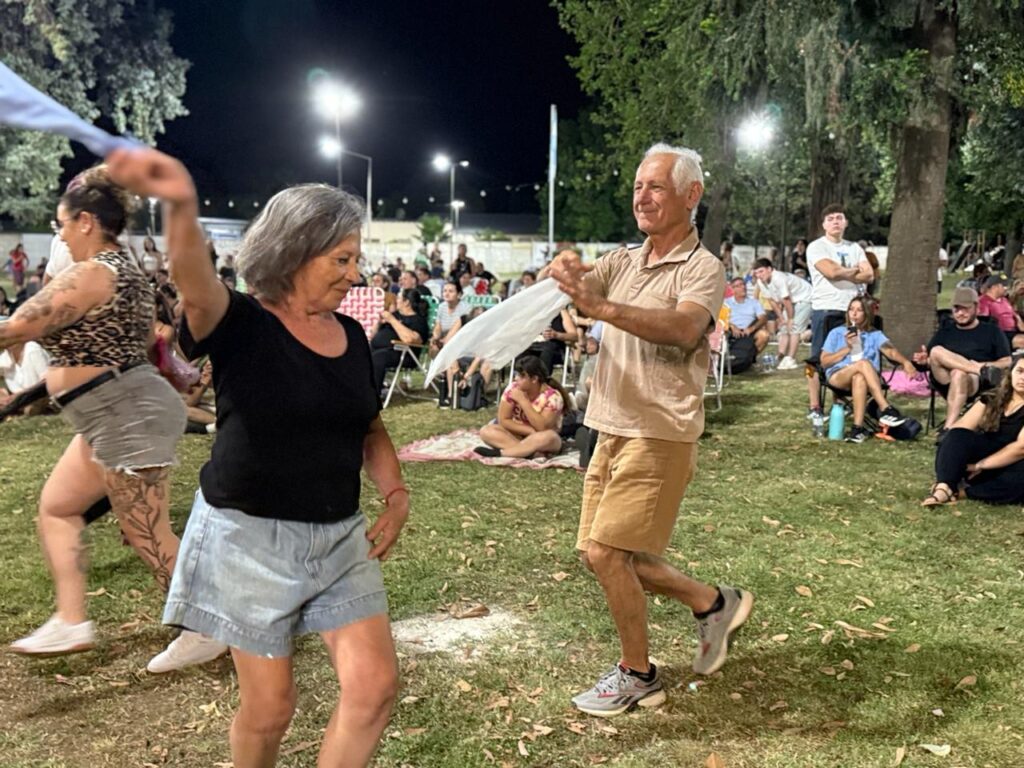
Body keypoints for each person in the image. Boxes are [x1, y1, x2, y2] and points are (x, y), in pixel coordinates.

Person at [107, 147, 408, 767]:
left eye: (356, 258)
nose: (355, 273)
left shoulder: (351, 335)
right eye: (342, 258)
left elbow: (368, 425)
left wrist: (396, 494)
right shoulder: (240, 321)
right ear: (295, 251)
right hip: (248, 539)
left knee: (374, 689)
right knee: (270, 708)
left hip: (338, 538)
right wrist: (182, 204)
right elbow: (193, 280)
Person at [549, 143, 752, 718]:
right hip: (609, 425)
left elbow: (685, 327)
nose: (643, 196)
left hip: (659, 430)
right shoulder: (624, 260)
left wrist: (603, 309)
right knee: (600, 554)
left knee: (610, 553)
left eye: (656, 186)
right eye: (638, 186)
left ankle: (639, 674)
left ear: (691, 195)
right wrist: (565, 267)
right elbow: (582, 281)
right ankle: (713, 603)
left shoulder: (702, 269)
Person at [1, 165, 225, 669]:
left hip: (124, 414)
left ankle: (208, 627)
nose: (58, 234)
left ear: (85, 221)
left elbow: (15, 328)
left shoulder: (91, 274)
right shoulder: (127, 272)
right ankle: (71, 618)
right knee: (58, 508)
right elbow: (143, 344)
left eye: (61, 224)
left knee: (147, 531)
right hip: (111, 413)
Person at [923, 353, 1024, 506]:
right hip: (982, 456)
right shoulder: (993, 397)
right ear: (1011, 373)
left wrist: (981, 465)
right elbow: (961, 427)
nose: (1023, 378)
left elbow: (1020, 448)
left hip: (1010, 463)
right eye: (1020, 371)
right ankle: (944, 487)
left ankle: (962, 493)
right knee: (957, 434)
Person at [913, 286, 1012, 433]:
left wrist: (985, 364)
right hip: (945, 379)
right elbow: (930, 360)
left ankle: (949, 428)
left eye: (965, 309)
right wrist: (921, 362)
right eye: (956, 309)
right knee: (936, 351)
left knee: (959, 373)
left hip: (975, 382)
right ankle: (978, 369)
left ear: (976, 308)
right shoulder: (945, 331)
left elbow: (1007, 361)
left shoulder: (992, 331)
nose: (960, 313)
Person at [806, 204, 874, 419]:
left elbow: (869, 275)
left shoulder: (854, 247)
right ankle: (815, 406)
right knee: (817, 359)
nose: (835, 221)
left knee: (850, 355)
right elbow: (830, 272)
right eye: (831, 219)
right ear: (824, 224)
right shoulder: (817, 247)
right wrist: (854, 271)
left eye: (839, 218)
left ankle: (839, 403)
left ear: (845, 222)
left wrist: (844, 272)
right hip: (825, 308)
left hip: (851, 310)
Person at [819, 296, 916, 443]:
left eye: (859, 310)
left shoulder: (874, 334)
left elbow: (890, 351)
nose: (854, 313)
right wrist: (848, 348)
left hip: (868, 380)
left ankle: (857, 430)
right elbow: (824, 361)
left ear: (866, 314)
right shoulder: (837, 332)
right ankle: (885, 408)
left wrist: (905, 362)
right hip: (839, 375)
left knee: (860, 377)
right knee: (863, 364)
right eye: (851, 309)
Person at [474, 356, 566, 459]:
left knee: (548, 437)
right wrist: (529, 431)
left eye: (521, 376)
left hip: (542, 439)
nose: (516, 379)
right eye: (516, 375)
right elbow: (504, 420)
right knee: (486, 431)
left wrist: (523, 402)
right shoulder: (512, 389)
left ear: (534, 379)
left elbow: (542, 428)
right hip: (517, 435)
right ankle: (529, 453)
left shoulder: (553, 397)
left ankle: (503, 453)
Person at [753, 257, 811, 370]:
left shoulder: (778, 278)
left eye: (761, 271)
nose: (759, 275)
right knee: (784, 329)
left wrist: (790, 319)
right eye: (756, 273)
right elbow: (772, 301)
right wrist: (781, 319)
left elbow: (786, 300)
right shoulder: (761, 282)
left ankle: (791, 359)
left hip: (804, 298)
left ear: (769, 269)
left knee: (794, 328)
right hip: (791, 301)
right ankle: (780, 356)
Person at [369, 288, 430, 393]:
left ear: (406, 302)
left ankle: (373, 395)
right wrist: (379, 323)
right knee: (357, 354)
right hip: (379, 349)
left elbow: (410, 339)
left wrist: (392, 320)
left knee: (378, 358)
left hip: (404, 354)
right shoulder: (395, 314)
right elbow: (373, 335)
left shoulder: (418, 320)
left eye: (398, 298)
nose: (395, 300)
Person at [724, 276, 769, 356]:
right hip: (730, 331)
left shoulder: (754, 302)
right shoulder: (726, 303)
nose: (743, 287)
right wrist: (731, 326)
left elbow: (763, 318)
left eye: (743, 284)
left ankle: (750, 359)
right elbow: (720, 318)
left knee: (764, 335)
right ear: (733, 289)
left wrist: (752, 328)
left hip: (749, 330)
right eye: (739, 285)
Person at [977, 275, 1024, 349]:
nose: (1006, 288)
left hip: (1014, 331)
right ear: (994, 287)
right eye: (1004, 286)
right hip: (1000, 335)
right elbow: (983, 322)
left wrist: (1019, 320)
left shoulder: (1004, 300)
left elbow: (1014, 314)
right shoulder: (983, 302)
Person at [429, 280, 469, 356]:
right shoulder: (441, 307)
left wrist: (444, 341)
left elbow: (457, 328)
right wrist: (435, 338)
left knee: (444, 348)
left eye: (451, 291)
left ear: (459, 294)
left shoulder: (465, 308)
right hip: (445, 340)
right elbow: (438, 326)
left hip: (460, 341)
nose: (446, 294)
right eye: (444, 291)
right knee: (434, 346)